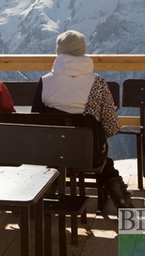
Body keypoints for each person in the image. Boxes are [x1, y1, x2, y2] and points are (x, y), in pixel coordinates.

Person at [30, 30, 134, 209]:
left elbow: (36, 123)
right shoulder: (98, 83)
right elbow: (111, 126)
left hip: (52, 154)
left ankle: (44, 195)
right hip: (89, 155)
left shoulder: (45, 82)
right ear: (83, 50)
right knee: (105, 164)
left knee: (55, 164)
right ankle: (123, 203)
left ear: (58, 52)